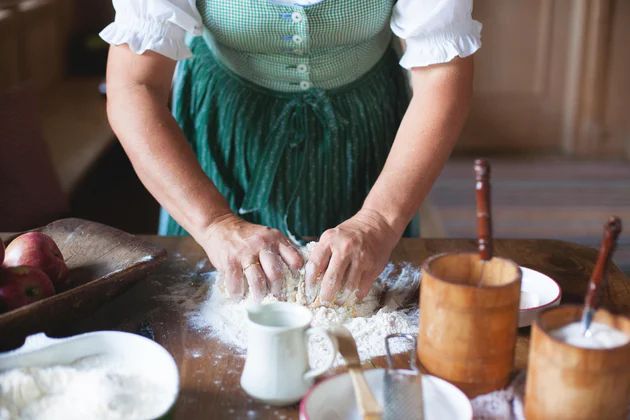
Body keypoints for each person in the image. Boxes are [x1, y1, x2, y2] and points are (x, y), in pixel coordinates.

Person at [100, 0, 481, 304]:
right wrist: (216, 224)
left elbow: (441, 75)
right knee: (209, 295)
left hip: (360, 126)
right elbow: (135, 85)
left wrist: (378, 221)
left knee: (357, 291)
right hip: (226, 124)